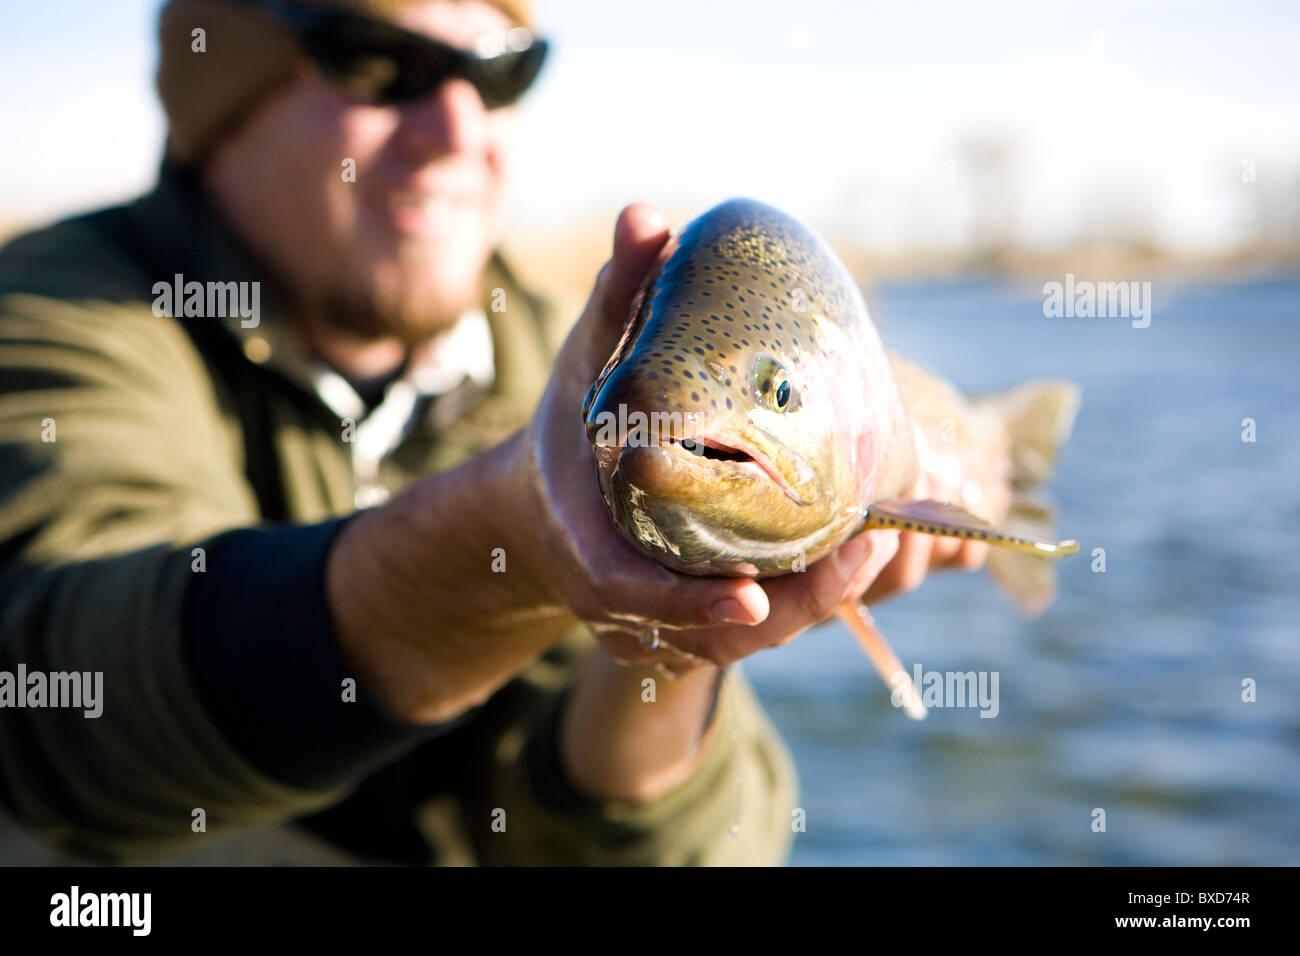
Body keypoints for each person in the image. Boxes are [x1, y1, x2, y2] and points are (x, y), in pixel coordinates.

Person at [0, 0, 986, 866]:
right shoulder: (62, 308)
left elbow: (651, 850)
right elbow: (60, 705)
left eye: (501, 68)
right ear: (219, 101)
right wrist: (505, 538)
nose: (456, 128)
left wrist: (674, 636)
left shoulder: (573, 372)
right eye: (378, 63)